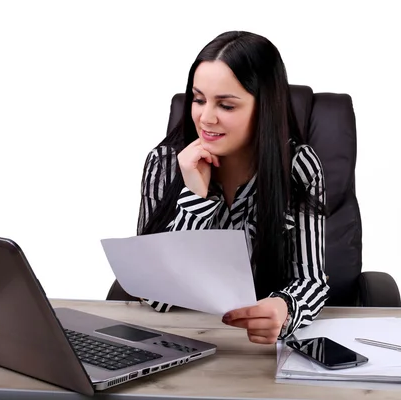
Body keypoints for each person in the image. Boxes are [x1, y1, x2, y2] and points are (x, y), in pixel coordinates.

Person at [135, 30, 329, 344]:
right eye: (198, 100)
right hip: (177, 338)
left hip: (259, 346)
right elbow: (155, 295)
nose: (205, 118)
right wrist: (195, 197)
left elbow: (310, 279)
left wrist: (284, 308)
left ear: (265, 107)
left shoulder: (298, 167)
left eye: (226, 106)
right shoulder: (165, 163)